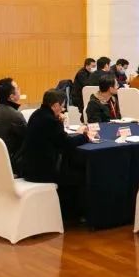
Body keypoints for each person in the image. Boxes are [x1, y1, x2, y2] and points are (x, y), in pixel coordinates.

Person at [18, 89, 91, 219]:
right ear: (55, 105)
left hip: (28, 166)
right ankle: (73, 215)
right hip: (41, 172)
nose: (63, 109)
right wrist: (84, 136)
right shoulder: (51, 121)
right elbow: (66, 143)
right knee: (81, 175)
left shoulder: (37, 114)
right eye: (62, 106)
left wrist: (59, 121)